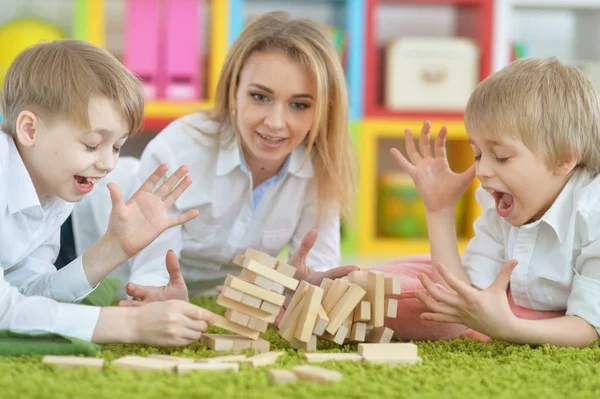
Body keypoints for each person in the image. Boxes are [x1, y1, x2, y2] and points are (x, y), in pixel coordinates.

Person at [69, 11, 359, 301]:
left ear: (323, 108)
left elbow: (318, 274)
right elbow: (151, 273)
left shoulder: (321, 169)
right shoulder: (178, 149)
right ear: (234, 90)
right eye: (260, 97)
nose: (275, 122)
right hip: (75, 236)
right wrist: (158, 298)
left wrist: (299, 293)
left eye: (299, 104)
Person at [0, 39, 216, 347]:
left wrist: (114, 249)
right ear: (29, 130)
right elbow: (5, 309)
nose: (107, 163)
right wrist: (128, 325)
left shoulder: (52, 194)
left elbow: (28, 293)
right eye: (91, 144)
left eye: (116, 147)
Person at [377, 57, 600, 347]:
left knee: (413, 295)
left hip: (565, 317)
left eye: (502, 157)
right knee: (400, 275)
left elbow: (588, 328)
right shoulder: (501, 201)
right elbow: (462, 299)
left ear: (564, 159)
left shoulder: (592, 213)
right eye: (478, 154)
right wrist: (439, 210)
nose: (481, 171)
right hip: (517, 303)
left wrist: (509, 329)